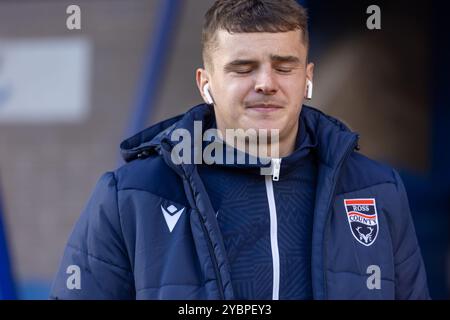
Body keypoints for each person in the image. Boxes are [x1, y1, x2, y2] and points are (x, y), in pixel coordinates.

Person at [50, 0, 429, 300]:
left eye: (284, 66)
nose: (266, 83)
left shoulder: (376, 191)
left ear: (307, 78)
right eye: (243, 68)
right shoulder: (131, 196)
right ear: (206, 83)